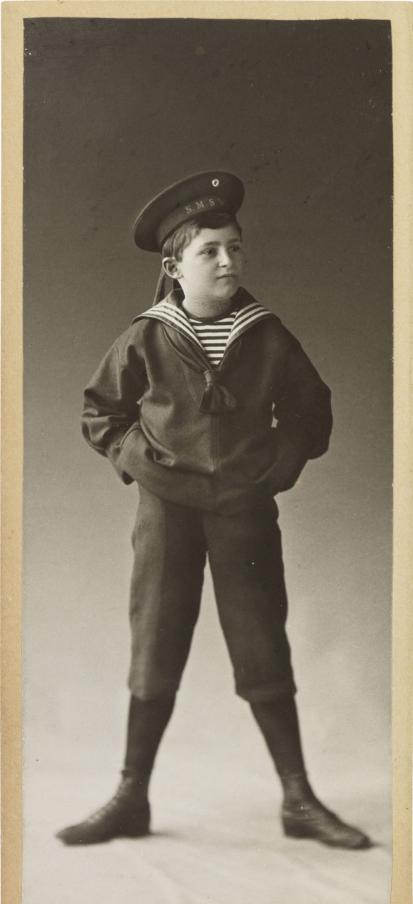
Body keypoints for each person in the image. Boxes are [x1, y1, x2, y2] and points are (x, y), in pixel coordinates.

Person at [57, 170, 371, 850]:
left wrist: (275, 467)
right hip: (167, 513)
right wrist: (145, 466)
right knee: (156, 643)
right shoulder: (146, 336)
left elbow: (311, 411)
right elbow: (100, 412)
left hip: (242, 512)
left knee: (262, 643)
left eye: (235, 247)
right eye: (210, 251)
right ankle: (130, 795)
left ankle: (297, 798)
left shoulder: (266, 334)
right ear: (174, 267)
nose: (228, 261)